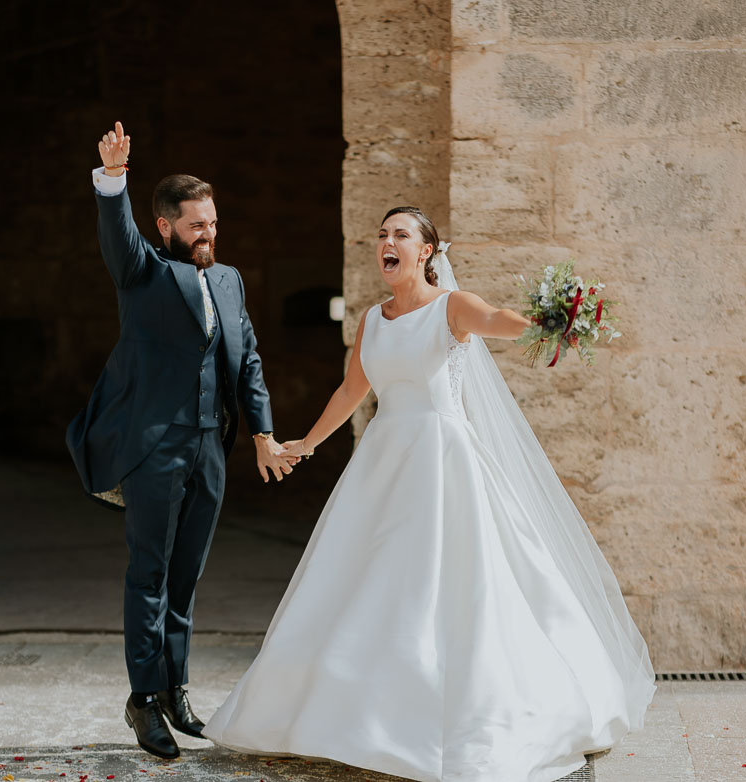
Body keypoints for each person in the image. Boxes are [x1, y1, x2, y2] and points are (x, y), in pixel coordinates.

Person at [202, 207, 656, 781]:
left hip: (443, 461)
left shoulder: (451, 307)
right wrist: (309, 443)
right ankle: (353, 713)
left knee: (452, 581)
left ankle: (461, 710)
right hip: (383, 461)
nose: (387, 243)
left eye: (400, 235)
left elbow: (497, 318)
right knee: (362, 579)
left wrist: (550, 321)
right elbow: (351, 390)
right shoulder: (373, 318)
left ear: (426, 252)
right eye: (382, 235)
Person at [66, 122, 297, 761]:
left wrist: (261, 435)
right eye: (197, 226)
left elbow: (246, 360)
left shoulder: (229, 281)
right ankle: (143, 700)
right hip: (154, 447)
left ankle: (175, 689)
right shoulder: (142, 272)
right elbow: (117, 237)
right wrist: (113, 178)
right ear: (166, 227)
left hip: (210, 447)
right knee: (150, 573)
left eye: (214, 223)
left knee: (187, 575)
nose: (210, 235)